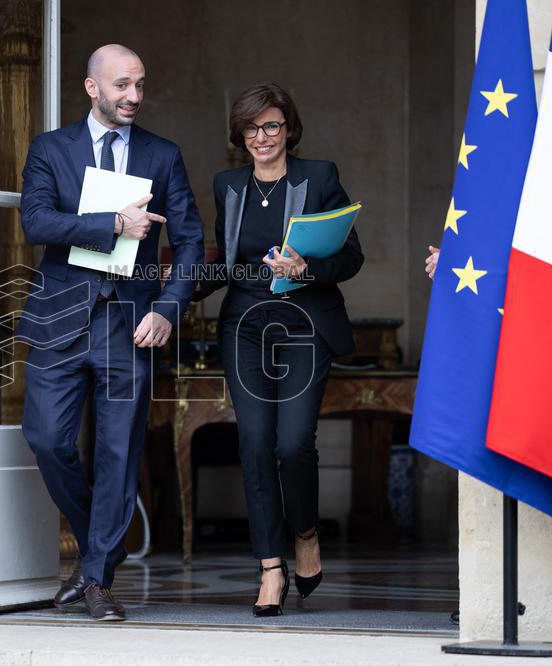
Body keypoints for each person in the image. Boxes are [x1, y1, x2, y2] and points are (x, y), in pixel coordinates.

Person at [16, 44, 203, 621]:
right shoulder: (51, 149)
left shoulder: (163, 155)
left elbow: (191, 240)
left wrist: (169, 307)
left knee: (119, 454)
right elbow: (35, 221)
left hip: (131, 323)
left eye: (141, 85)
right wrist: (113, 225)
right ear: (92, 87)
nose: (134, 97)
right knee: (47, 438)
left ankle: (97, 577)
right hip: (60, 318)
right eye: (123, 85)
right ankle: (106, 538)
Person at [194, 83, 364, 616]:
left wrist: (306, 269)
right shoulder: (228, 185)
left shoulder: (319, 177)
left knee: (293, 443)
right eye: (250, 127)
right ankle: (271, 567)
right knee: (253, 442)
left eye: (271, 125)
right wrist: (168, 287)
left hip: (302, 323)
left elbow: (352, 256)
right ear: (238, 134)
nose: (261, 137)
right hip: (245, 325)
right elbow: (225, 264)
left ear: (289, 127)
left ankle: (306, 532)